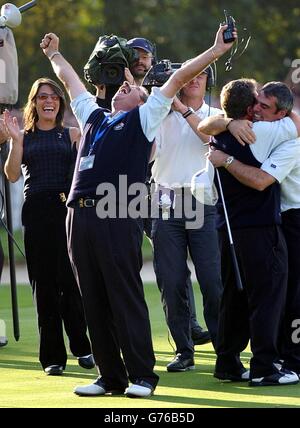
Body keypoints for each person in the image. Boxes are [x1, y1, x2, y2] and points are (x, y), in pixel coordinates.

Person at [39, 25, 236, 398]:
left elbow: (178, 78)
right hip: (78, 216)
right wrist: (53, 54)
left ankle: (142, 375)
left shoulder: (144, 119)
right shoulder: (94, 117)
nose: (124, 88)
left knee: (123, 295)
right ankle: (108, 376)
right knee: (92, 297)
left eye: (132, 89)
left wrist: (215, 50)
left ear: (144, 101)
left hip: (116, 212)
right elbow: (69, 83)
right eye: (122, 87)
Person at [94, 36, 208, 346]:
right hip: (125, 188)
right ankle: (139, 331)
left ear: (153, 60)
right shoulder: (118, 88)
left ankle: (191, 324)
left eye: (145, 56)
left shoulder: (164, 87)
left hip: (161, 184)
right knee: (152, 261)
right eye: (135, 56)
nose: (141, 61)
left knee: (175, 258)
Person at [199, 78, 300, 386]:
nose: (258, 108)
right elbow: (295, 125)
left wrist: (225, 131)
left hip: (226, 228)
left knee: (235, 297)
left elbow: (203, 189)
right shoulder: (266, 130)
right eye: (256, 102)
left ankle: (228, 363)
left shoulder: (217, 136)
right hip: (260, 229)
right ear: (248, 107)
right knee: (267, 298)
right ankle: (265, 367)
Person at [3, 78, 94, 375]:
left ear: (60, 103)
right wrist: (15, 141)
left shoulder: (71, 134)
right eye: (42, 96)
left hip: (67, 211)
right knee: (44, 286)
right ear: (34, 102)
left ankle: (82, 347)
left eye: (54, 96)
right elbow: (13, 174)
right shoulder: (24, 136)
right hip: (37, 212)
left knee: (71, 282)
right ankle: (52, 357)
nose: (49, 101)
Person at [150, 67, 222, 372]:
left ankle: (225, 350)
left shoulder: (215, 113)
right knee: (172, 280)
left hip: (202, 202)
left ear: (208, 81)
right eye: (188, 75)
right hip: (164, 202)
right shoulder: (160, 113)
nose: (194, 79)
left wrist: (182, 109)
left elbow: (209, 137)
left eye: (200, 75)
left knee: (212, 281)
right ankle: (183, 350)